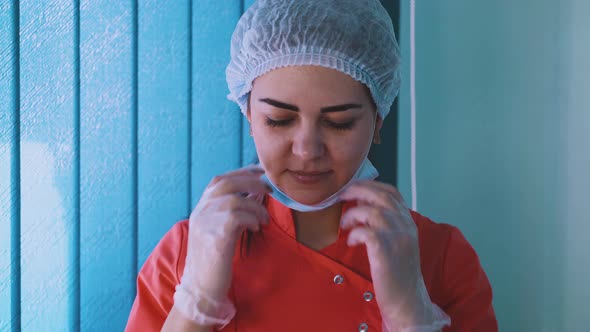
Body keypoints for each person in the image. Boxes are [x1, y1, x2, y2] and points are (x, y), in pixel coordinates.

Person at [125, 0, 498, 331]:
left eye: (339, 123)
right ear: (249, 117)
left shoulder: (441, 255)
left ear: (378, 121)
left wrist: (409, 316)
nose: (306, 150)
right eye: (279, 120)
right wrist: (196, 303)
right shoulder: (187, 249)